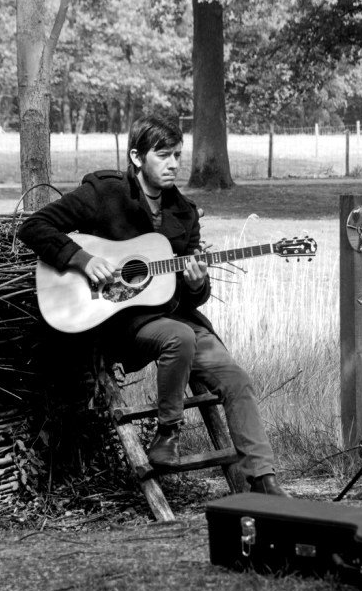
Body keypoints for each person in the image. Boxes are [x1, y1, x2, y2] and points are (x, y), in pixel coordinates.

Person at [18, 114, 288, 497]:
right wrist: (83, 259)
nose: (175, 163)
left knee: (236, 379)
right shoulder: (104, 194)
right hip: (118, 321)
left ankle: (265, 481)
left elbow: (192, 292)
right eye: (163, 155)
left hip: (173, 316)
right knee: (179, 337)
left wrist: (197, 283)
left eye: (178, 154)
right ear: (137, 156)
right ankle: (167, 435)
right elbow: (34, 227)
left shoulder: (185, 212)